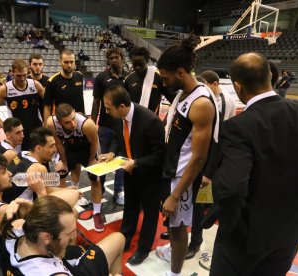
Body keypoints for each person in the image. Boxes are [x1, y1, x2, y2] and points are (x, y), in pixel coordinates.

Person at [210, 52, 298, 276]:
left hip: (246, 238)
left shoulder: (238, 127)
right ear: (271, 76)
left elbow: (231, 189)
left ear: (238, 87)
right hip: (289, 233)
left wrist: (230, 227)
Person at [154, 35, 218, 276]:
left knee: (179, 229)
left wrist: (177, 194)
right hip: (171, 171)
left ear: (180, 72)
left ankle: (175, 274)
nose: (164, 81)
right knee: (173, 226)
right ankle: (173, 254)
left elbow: (199, 157)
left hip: (182, 178)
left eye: (165, 76)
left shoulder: (201, 103)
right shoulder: (183, 94)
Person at [100, 85, 165, 265]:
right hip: (130, 172)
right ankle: (125, 239)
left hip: (150, 175)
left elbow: (160, 155)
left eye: (107, 108)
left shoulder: (150, 121)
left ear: (121, 106)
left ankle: (143, 249)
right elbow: (117, 138)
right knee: (130, 207)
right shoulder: (118, 117)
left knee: (150, 213)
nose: (105, 111)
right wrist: (112, 153)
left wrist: (136, 163)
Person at [182, 70, 237, 259]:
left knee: (199, 205)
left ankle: (195, 241)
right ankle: (179, 230)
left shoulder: (220, 105)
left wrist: (209, 172)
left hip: (206, 164)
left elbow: (218, 141)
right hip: (188, 161)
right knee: (183, 199)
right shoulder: (189, 103)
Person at [1, 195, 125, 276]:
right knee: (118, 239)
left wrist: (34, 211)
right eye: (70, 233)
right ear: (46, 237)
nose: (74, 236)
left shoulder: (13, 229)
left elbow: (72, 194)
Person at [46, 103, 105, 232]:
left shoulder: (87, 124)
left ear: (75, 112)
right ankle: (65, 206)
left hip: (86, 147)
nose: (72, 124)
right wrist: (65, 162)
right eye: (67, 122)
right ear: (59, 122)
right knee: (61, 171)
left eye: (73, 119)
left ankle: (97, 212)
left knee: (94, 176)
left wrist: (92, 161)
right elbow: (58, 143)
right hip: (69, 147)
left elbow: (94, 142)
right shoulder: (51, 123)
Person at [91, 48, 128, 206]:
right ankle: (101, 190)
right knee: (103, 159)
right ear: (108, 60)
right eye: (111, 57)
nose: (114, 60)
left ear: (122, 58)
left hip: (123, 125)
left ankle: (119, 190)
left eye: (117, 57)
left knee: (120, 160)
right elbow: (96, 102)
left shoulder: (128, 77)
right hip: (105, 127)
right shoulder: (101, 77)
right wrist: (92, 124)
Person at [0, 59, 44, 150]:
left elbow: (49, 104)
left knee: (41, 160)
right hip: (18, 133)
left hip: (37, 129)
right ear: (12, 73)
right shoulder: (5, 89)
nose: (22, 78)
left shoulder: (35, 85)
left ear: (27, 72)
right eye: (18, 75)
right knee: (21, 161)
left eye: (24, 75)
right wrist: (5, 127)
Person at [124, 47, 174, 114]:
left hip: (153, 121)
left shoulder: (158, 77)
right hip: (133, 120)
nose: (138, 67)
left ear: (147, 61)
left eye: (140, 64)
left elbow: (173, 100)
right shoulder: (128, 79)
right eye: (135, 64)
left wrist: (167, 118)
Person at [43, 48, 85, 123]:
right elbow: (47, 107)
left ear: (75, 62)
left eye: (71, 62)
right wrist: (47, 127)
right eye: (66, 62)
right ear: (60, 62)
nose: (69, 65)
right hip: (63, 123)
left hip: (80, 121)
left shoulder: (79, 76)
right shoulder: (52, 81)